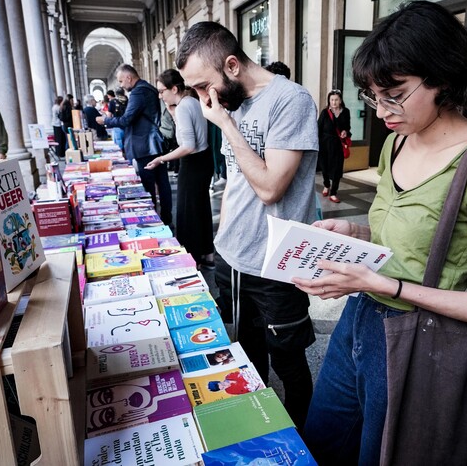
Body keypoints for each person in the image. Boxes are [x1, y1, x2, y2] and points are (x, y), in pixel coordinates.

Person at [290, 0, 467, 464]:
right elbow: (403, 235)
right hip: (358, 319)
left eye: (393, 94)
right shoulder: (397, 142)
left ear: (441, 76)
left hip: (416, 336)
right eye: (372, 96)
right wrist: (356, 231)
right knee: (321, 442)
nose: (381, 111)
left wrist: (384, 284)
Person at [176, 21, 319, 429]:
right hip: (231, 254)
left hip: (276, 263)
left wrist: (225, 124)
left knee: (288, 361)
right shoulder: (231, 103)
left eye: (204, 86)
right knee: (245, 356)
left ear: (233, 65)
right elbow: (238, 180)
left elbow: (271, 187)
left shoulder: (290, 100)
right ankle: (260, 431)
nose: (204, 99)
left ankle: (299, 438)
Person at [145, 69, 215, 268]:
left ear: (174, 88)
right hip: (203, 160)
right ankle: (207, 254)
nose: (160, 95)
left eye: (161, 91)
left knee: (187, 212)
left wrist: (161, 158)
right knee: (201, 208)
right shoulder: (192, 101)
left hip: (193, 163)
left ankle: (193, 259)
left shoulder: (184, 106)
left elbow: (187, 145)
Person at [98, 64, 172, 225]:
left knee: (149, 186)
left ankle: (154, 222)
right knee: (162, 183)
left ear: (128, 78)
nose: (121, 85)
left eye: (121, 81)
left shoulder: (139, 92)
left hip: (144, 145)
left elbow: (126, 119)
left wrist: (106, 120)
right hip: (153, 144)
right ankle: (166, 219)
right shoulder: (149, 89)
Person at [317, 89, 351, 203]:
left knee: (337, 169)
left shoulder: (345, 112)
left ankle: (333, 193)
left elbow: (348, 127)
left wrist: (345, 132)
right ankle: (326, 185)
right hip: (325, 144)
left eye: (336, 100)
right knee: (325, 167)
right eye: (332, 100)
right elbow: (318, 128)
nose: (334, 102)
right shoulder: (325, 113)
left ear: (340, 100)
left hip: (338, 145)